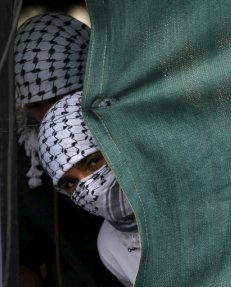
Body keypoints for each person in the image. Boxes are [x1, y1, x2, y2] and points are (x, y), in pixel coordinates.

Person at [15, 13, 122, 286]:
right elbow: (23, 260)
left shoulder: (130, 138)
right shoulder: (28, 164)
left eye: (60, 98)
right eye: (37, 105)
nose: (49, 115)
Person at [37, 92, 141, 286]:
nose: (89, 189)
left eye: (93, 162)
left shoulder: (191, 189)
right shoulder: (111, 245)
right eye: (70, 183)